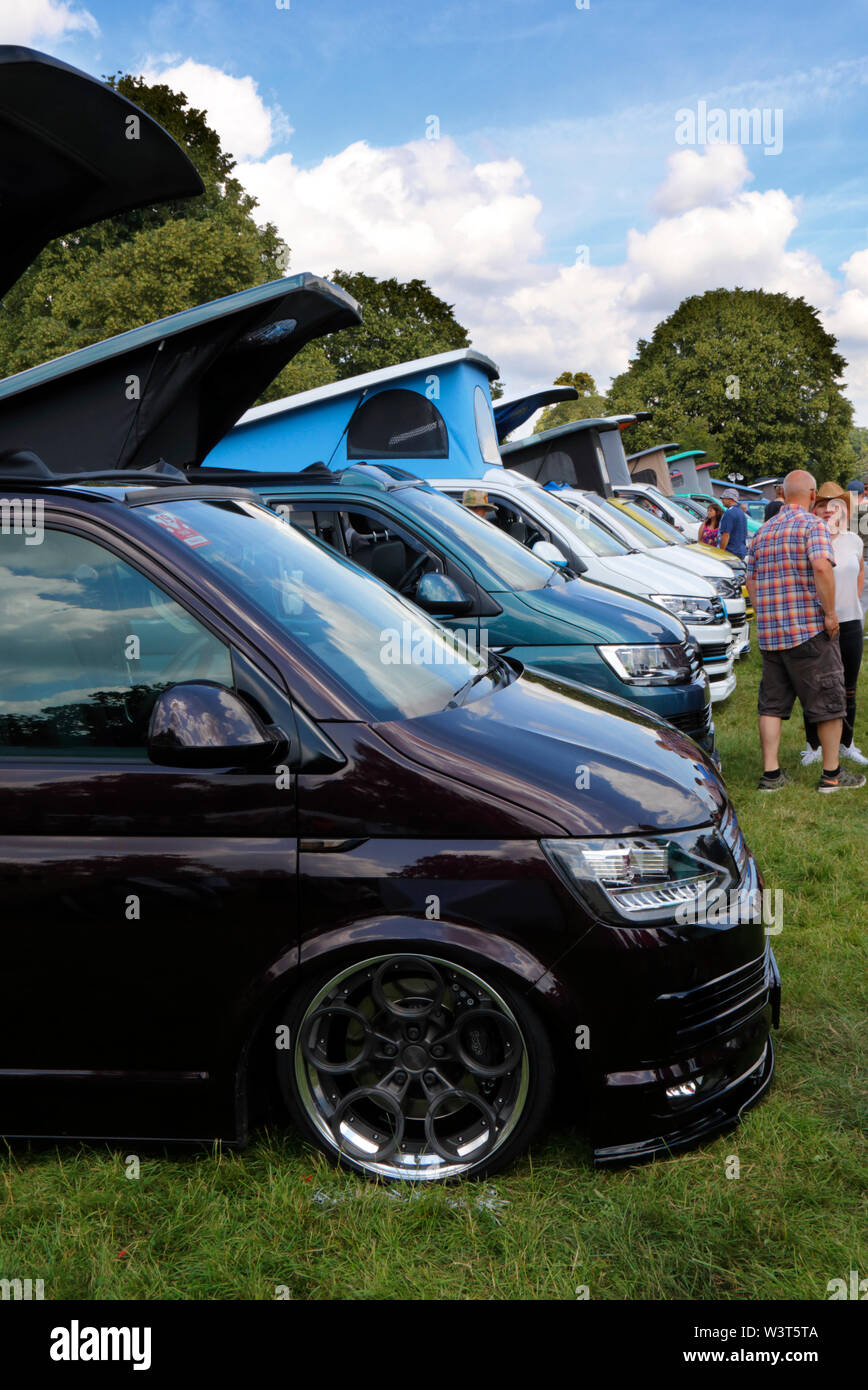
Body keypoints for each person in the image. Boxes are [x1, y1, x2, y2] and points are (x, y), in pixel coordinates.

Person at [745, 469, 865, 794]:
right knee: (828, 701)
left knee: (771, 705)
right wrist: (829, 614)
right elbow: (822, 566)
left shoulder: (763, 531)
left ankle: (771, 775)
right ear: (812, 495)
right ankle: (832, 775)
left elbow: (751, 579)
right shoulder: (813, 526)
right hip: (808, 632)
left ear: (782, 494)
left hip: (771, 636)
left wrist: (764, 614)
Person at [801, 482, 866, 766]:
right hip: (817, 622)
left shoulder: (854, 539)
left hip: (850, 622)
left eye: (835, 505)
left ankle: (846, 743)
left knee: (848, 687)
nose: (829, 510)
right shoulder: (809, 537)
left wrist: (851, 600)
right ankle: (813, 745)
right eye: (822, 504)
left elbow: (860, 572)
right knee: (815, 686)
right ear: (814, 509)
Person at [718, 488, 749, 558]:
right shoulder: (741, 512)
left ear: (730, 499)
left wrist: (720, 553)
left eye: (724, 498)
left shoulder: (729, 512)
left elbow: (726, 535)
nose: (722, 500)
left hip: (730, 552)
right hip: (740, 550)